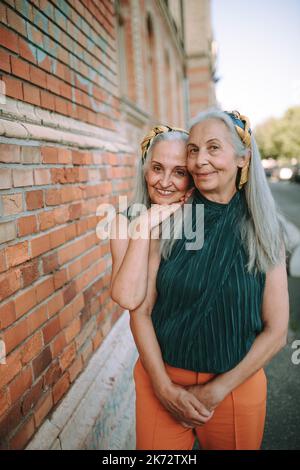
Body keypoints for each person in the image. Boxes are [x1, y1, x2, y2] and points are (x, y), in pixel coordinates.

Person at [112, 110, 290, 450]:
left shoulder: (264, 228)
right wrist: (163, 388)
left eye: (212, 148)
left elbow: (277, 331)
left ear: (243, 158)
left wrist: (217, 390)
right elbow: (138, 308)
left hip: (235, 389)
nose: (200, 160)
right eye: (193, 150)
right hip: (160, 382)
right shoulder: (167, 216)